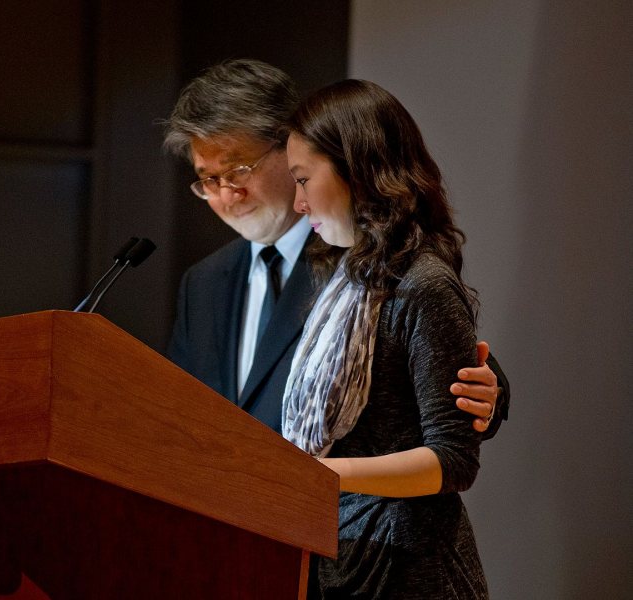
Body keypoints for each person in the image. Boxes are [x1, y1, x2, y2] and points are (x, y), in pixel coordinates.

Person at [163, 59, 509, 436]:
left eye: (239, 170)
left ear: (290, 148)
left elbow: (464, 378)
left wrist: (489, 395)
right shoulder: (203, 282)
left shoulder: (366, 255)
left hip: (340, 492)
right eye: (209, 180)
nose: (228, 194)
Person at [283, 79, 488, 598]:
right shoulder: (347, 281)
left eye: (304, 179)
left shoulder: (423, 285)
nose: (299, 203)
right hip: (341, 555)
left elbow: (453, 460)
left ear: (355, 168)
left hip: (408, 566)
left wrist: (318, 473)